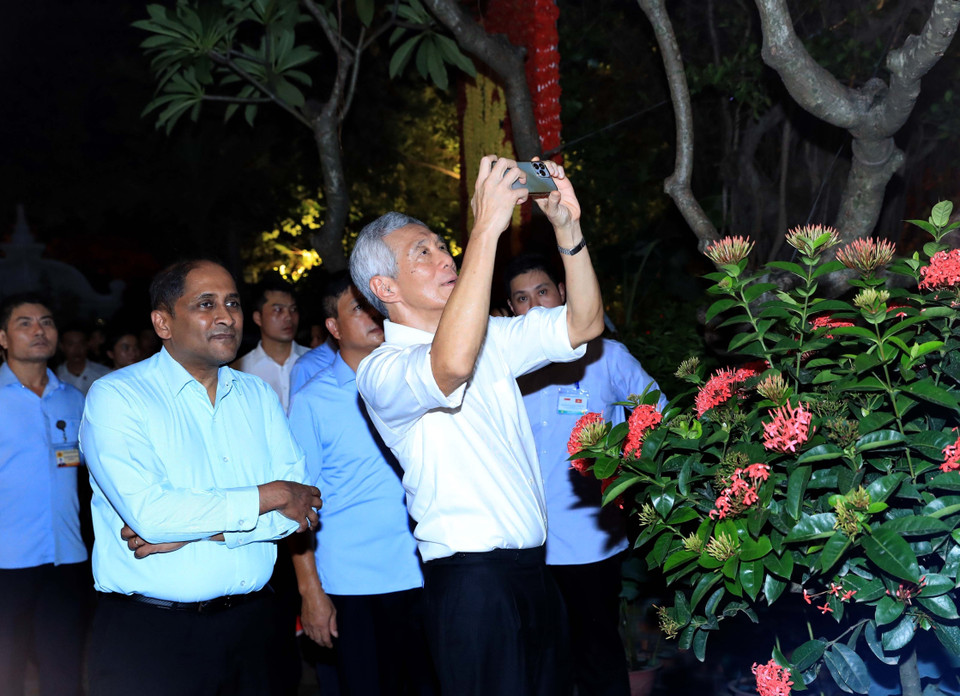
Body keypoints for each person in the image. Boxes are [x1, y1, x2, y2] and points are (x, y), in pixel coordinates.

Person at [350, 155, 604, 696]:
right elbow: (450, 365)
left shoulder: (490, 336)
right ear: (385, 287)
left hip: (537, 572)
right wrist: (487, 227)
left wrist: (568, 228)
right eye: (424, 252)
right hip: (472, 586)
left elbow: (583, 324)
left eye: (444, 244)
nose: (444, 256)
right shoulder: (381, 370)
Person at [79, 259, 323, 696]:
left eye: (232, 302)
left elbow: (299, 513)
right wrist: (271, 493)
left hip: (256, 628)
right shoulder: (118, 397)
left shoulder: (256, 396)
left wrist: (193, 533)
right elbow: (152, 515)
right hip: (154, 635)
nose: (226, 316)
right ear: (163, 322)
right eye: (205, 304)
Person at [506, 252, 667, 696]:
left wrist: (628, 474)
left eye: (542, 292)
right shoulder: (505, 368)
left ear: (562, 293)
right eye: (522, 299)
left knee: (597, 655)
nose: (535, 306)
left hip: (589, 540)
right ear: (510, 311)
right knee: (541, 659)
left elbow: (659, 415)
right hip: (525, 542)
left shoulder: (606, 356)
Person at [288, 273, 434, 695]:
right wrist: (310, 592)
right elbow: (297, 506)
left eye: (376, 306)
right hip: (352, 585)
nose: (373, 316)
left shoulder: (415, 381)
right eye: (358, 309)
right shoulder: (313, 400)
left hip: (424, 571)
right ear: (333, 328)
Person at [0, 293, 88, 696]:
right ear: (3, 338)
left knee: (64, 665)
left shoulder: (75, 400)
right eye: (25, 323)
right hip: (7, 560)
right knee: (7, 669)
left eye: (47, 322)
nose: (39, 330)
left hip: (67, 558)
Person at [233, 277, 309, 412]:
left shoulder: (314, 361)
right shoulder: (240, 371)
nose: (288, 317)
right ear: (258, 318)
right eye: (278, 310)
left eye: (293, 309)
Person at [56, 324, 112, 395]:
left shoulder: (103, 374)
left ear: (87, 345)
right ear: (62, 346)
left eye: (81, 344)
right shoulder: (56, 375)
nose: (77, 349)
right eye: (71, 344)